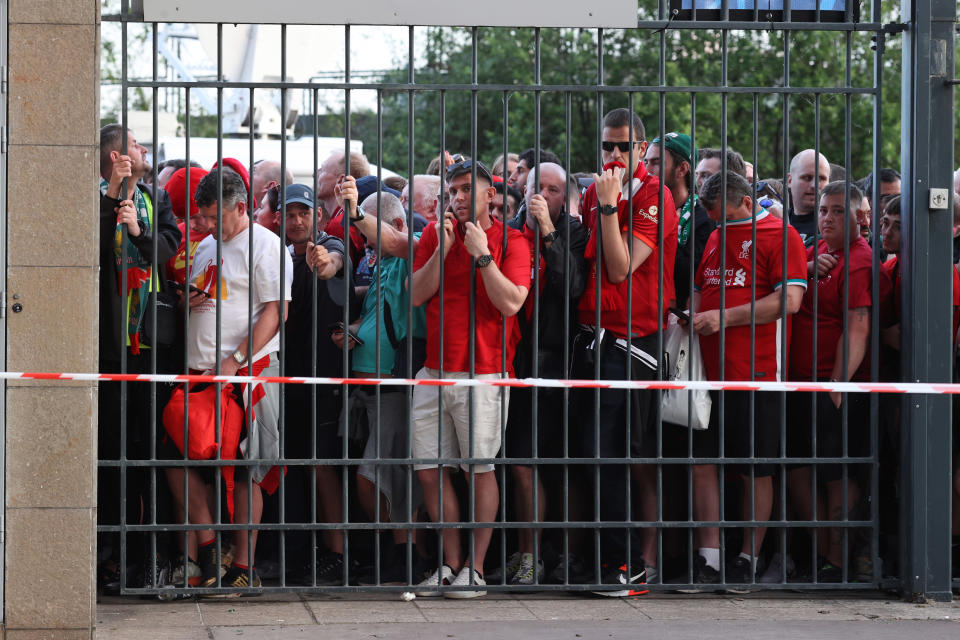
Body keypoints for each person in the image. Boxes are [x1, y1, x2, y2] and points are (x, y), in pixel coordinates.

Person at [409, 159, 531, 598]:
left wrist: (482, 255)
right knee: (428, 470)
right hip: (434, 371)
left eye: (465, 190)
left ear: (490, 196)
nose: (456, 198)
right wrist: (443, 250)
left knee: (479, 470)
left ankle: (475, 570)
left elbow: (512, 304)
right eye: (452, 190)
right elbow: (417, 295)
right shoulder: (433, 234)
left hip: (485, 373)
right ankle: (450, 563)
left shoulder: (512, 240)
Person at [169, 167, 292, 593]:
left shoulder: (267, 245)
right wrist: (188, 298)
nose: (205, 225)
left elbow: (277, 313)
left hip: (247, 372)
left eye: (213, 216)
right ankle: (207, 548)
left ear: (241, 207)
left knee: (247, 471)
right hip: (199, 375)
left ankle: (243, 565)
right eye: (201, 216)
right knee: (179, 462)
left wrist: (236, 359)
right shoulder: (206, 245)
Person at [574, 107, 678, 595]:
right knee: (592, 456)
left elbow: (619, 269)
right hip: (594, 339)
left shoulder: (654, 196)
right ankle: (599, 560)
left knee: (616, 455)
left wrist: (612, 207)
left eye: (623, 146)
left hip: (633, 343)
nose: (613, 155)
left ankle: (628, 567)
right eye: (606, 146)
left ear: (642, 149)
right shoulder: (595, 192)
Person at [689, 171, 807, 588]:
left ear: (742, 202)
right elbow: (704, 286)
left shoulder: (781, 235)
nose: (707, 216)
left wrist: (722, 318)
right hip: (708, 371)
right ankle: (711, 557)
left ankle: (748, 557)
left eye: (713, 209)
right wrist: (690, 314)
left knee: (756, 467)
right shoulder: (718, 234)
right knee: (703, 463)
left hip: (759, 373)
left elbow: (789, 301)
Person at [98, 124, 182, 590]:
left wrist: (139, 229)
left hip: (152, 345)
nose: (143, 150)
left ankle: (156, 555)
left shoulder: (156, 198)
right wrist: (111, 203)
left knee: (152, 452)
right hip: (109, 348)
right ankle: (112, 557)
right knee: (113, 453)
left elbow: (170, 250)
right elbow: (82, 255)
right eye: (135, 144)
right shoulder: (93, 197)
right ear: (115, 156)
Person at [498, 162, 589, 586]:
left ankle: (567, 556)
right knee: (519, 462)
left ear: (564, 197)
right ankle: (528, 555)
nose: (543, 196)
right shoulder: (508, 231)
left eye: (553, 190)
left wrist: (550, 233)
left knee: (561, 464)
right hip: (514, 359)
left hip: (560, 362)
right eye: (538, 187)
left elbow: (571, 284)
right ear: (524, 187)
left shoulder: (575, 230)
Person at [336, 186, 427, 584]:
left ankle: (405, 557)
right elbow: (374, 316)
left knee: (378, 477)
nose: (367, 245)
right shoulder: (383, 263)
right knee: (387, 476)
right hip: (368, 385)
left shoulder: (415, 251)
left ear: (397, 225)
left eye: (370, 236)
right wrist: (351, 331)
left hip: (395, 385)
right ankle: (395, 557)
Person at [785, 181, 874, 583]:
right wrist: (803, 268)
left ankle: (836, 560)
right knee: (799, 469)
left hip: (833, 387)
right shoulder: (816, 252)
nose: (827, 219)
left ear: (859, 217)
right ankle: (820, 552)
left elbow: (857, 329)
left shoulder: (858, 261)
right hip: (798, 383)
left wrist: (838, 384)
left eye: (838, 212)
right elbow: (782, 283)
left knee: (839, 474)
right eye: (823, 211)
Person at [278, 183, 354, 586]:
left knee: (323, 465)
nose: (296, 221)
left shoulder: (329, 244)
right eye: (289, 214)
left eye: (303, 213)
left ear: (318, 216)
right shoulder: (276, 253)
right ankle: (310, 551)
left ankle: (338, 553)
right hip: (286, 377)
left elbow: (335, 262)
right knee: (297, 467)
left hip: (323, 376)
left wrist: (324, 263)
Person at [645, 132, 716, 309]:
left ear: (682, 169)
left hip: (681, 322)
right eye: (645, 162)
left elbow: (691, 275)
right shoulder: (642, 211)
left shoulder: (705, 217)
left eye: (656, 162)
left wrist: (666, 230)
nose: (646, 171)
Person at [786, 149, 831, 247]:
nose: (814, 185)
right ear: (790, 180)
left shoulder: (835, 225)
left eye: (821, 179)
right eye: (807, 178)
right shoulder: (778, 222)